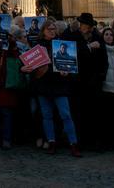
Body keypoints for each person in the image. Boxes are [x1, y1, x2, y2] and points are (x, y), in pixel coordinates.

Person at [23, 20, 80, 157]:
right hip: (43, 85)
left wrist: (67, 72)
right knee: (46, 115)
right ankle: (51, 142)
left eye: (54, 29)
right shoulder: (37, 46)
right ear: (43, 31)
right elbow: (29, 65)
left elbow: (71, 65)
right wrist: (23, 68)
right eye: (49, 29)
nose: (52, 31)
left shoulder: (63, 44)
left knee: (65, 115)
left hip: (59, 85)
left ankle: (73, 144)